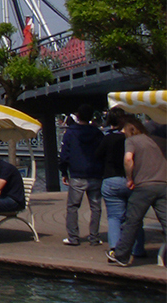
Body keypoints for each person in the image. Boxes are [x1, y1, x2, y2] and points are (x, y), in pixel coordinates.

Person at [107, 117, 167, 267]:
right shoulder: (158, 141)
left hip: (143, 187)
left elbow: (128, 159)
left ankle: (121, 255)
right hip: (163, 185)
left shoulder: (132, 141)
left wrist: (129, 178)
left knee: (132, 221)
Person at [95, 109, 146, 257]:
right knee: (135, 216)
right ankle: (138, 249)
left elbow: (97, 155)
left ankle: (115, 249)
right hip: (132, 181)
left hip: (111, 179)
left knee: (114, 217)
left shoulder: (108, 138)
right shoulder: (134, 139)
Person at [59, 104, 104, 246]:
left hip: (77, 174)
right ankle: (94, 237)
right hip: (95, 173)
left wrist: (64, 171)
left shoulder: (70, 133)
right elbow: (102, 153)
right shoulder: (97, 133)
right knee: (95, 207)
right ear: (92, 117)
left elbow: (65, 154)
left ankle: (73, 237)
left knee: (73, 207)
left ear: (77, 116)